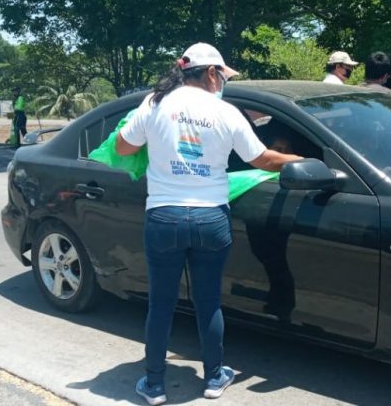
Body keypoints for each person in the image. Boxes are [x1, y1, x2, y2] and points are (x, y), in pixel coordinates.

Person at [115, 42, 302, 406]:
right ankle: (214, 378)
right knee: (208, 302)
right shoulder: (225, 111)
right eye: (222, 75)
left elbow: (123, 148)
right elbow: (261, 159)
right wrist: (301, 159)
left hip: (164, 215)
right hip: (210, 218)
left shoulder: (155, 102)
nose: (223, 82)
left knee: (161, 303)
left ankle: (153, 385)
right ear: (212, 73)